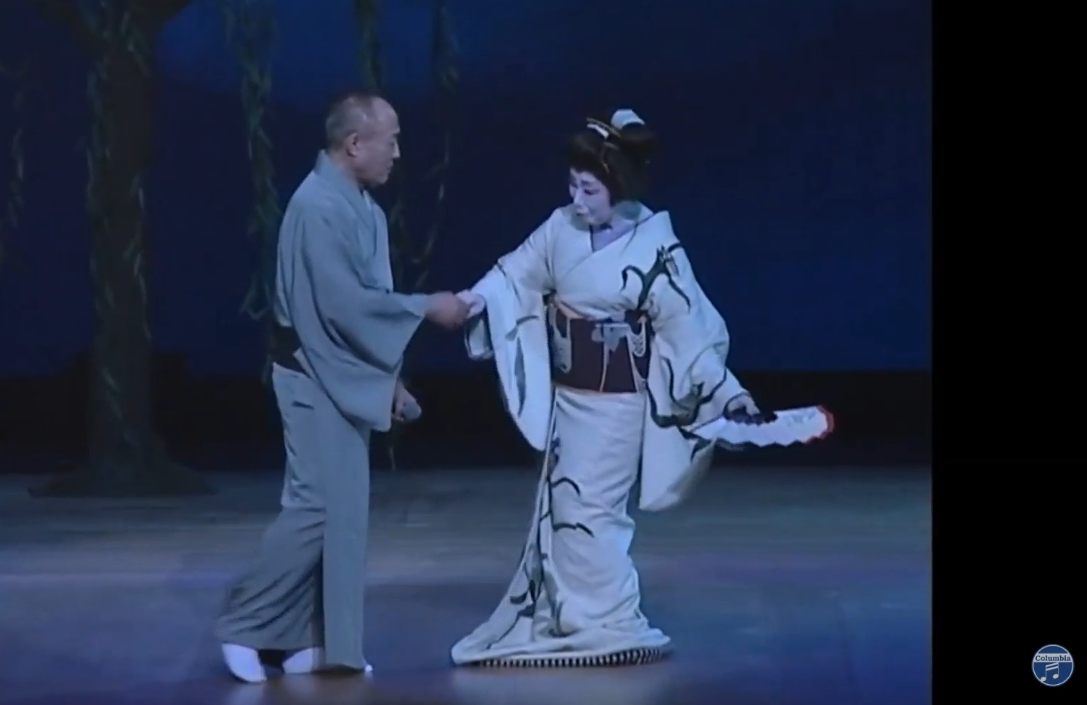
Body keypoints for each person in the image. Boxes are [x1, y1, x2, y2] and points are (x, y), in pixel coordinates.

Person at [450, 108, 762, 668]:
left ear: (619, 185)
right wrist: (476, 298)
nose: (577, 199)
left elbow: (689, 333)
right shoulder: (561, 229)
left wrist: (730, 395)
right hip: (568, 399)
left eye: (589, 189)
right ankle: (573, 617)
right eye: (572, 185)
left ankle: (608, 620)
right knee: (563, 506)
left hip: (618, 405)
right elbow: (515, 273)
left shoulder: (656, 249)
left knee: (593, 512)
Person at [216, 90, 470, 683]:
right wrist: (427, 306)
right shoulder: (315, 208)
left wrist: (389, 381)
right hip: (311, 373)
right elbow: (344, 306)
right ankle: (247, 625)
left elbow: (365, 309)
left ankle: (310, 639)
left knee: (343, 513)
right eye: (392, 140)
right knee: (314, 505)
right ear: (355, 143)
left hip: (340, 371)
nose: (398, 153)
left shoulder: (361, 208)